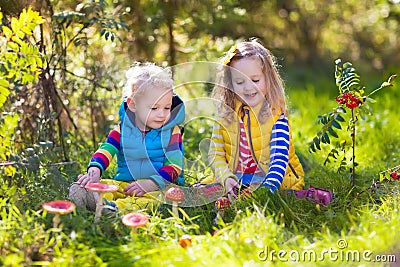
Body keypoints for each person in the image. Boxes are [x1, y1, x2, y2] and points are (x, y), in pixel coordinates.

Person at [68, 62, 185, 213]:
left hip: (160, 186)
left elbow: (174, 166)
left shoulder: (172, 132)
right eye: (154, 108)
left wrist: (151, 183)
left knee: (152, 200)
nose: (162, 114)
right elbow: (107, 149)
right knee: (108, 185)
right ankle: (91, 195)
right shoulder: (123, 129)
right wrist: (95, 168)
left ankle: (115, 209)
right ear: (133, 105)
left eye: (167, 107)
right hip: (125, 183)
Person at [207, 39, 305, 201]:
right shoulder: (225, 115)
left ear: (268, 78)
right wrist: (226, 177)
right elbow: (216, 154)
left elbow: (279, 158)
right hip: (236, 177)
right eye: (239, 82)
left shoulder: (276, 115)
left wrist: (267, 189)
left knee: (267, 194)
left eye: (255, 80)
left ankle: (257, 195)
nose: (248, 87)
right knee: (208, 191)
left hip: (274, 179)